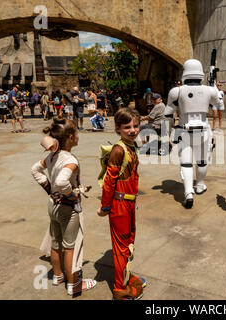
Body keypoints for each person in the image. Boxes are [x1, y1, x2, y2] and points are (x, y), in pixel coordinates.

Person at [31, 118, 97, 296]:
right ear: (70, 137)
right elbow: (61, 181)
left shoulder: (52, 155)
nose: (78, 135)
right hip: (67, 209)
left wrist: (49, 189)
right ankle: (74, 284)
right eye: (76, 132)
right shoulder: (70, 160)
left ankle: (58, 275)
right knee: (70, 247)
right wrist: (71, 194)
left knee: (55, 242)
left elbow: (35, 170)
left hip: (52, 205)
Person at [97, 108, 146, 300]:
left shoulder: (131, 146)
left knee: (128, 243)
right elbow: (109, 181)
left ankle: (125, 276)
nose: (133, 130)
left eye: (136, 126)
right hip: (119, 204)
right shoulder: (119, 150)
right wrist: (105, 206)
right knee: (121, 248)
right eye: (127, 127)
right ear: (118, 128)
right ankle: (119, 288)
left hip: (129, 202)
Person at [165, 59, 219, 208]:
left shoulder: (176, 91)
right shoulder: (209, 90)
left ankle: (188, 192)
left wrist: (167, 133)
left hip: (184, 130)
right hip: (204, 130)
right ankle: (200, 184)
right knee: (202, 161)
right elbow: (219, 103)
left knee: (186, 163)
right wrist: (213, 87)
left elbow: (168, 115)